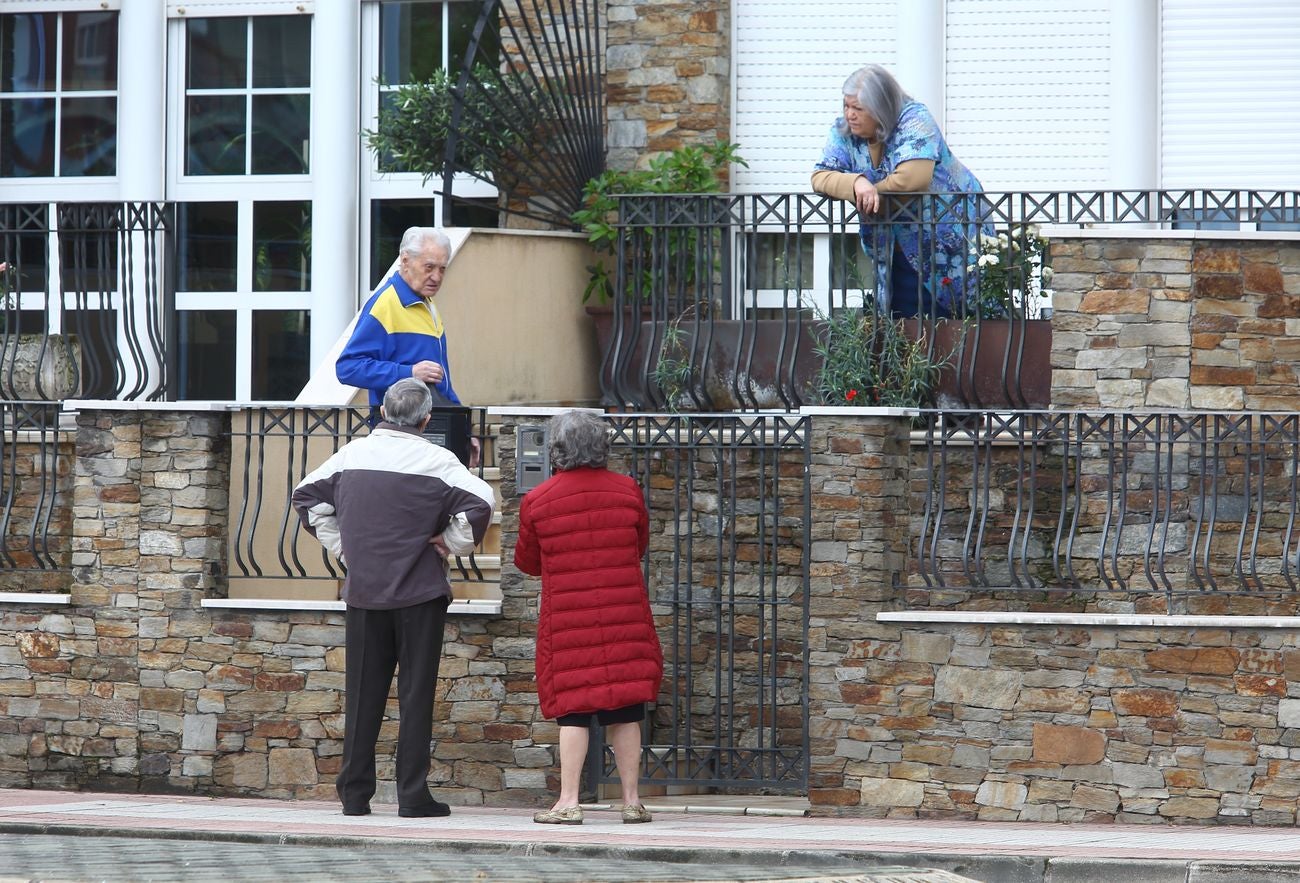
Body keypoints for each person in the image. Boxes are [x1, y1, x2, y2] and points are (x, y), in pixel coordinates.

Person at [291, 378, 495, 818]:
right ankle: (413, 794)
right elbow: (482, 502)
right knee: (415, 694)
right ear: (426, 418)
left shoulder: (350, 455)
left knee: (363, 695)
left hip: (364, 591)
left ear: (383, 412)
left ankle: (354, 794)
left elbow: (305, 498)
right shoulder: (439, 461)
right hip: (419, 593)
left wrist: (346, 548)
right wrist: (451, 543)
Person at [513, 409, 663, 826]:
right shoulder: (627, 490)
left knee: (573, 710)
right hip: (624, 613)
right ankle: (632, 800)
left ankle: (569, 801)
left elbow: (527, 562)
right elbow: (638, 545)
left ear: (557, 449)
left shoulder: (539, 500)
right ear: (603, 447)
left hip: (568, 619)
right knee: (626, 709)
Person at [812, 64, 988, 319]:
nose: (850, 115)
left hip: (949, 241)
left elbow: (911, 179)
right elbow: (820, 176)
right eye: (846, 106)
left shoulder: (915, 118)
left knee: (956, 326)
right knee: (902, 330)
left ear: (880, 107)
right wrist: (857, 183)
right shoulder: (843, 130)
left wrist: (871, 192)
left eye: (858, 108)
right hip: (894, 247)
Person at [336, 226, 479, 466]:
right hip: (398, 438)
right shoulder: (386, 303)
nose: (437, 277)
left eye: (442, 268)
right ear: (405, 261)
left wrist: (464, 431)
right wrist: (409, 373)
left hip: (432, 435)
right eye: (429, 267)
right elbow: (348, 368)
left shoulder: (428, 304)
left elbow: (441, 381)